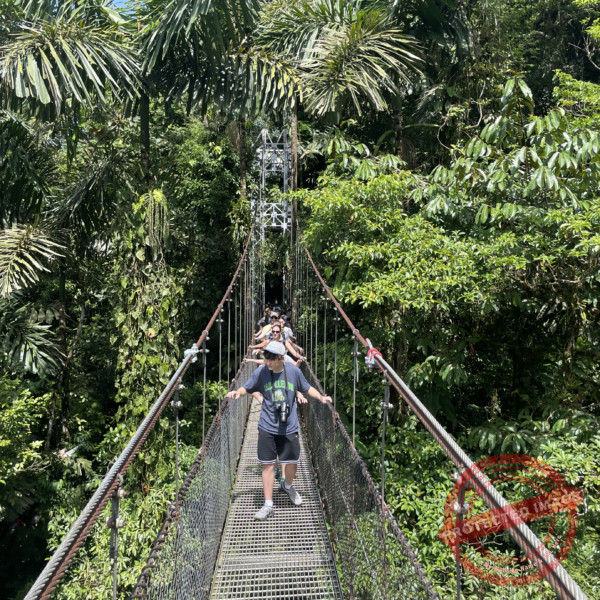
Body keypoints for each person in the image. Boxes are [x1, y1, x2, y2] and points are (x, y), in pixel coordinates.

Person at [226, 340, 331, 520]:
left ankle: (287, 486)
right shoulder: (261, 372)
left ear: (281, 358)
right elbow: (247, 387)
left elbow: (307, 388)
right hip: (267, 425)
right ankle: (268, 504)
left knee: (291, 463)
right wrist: (238, 393)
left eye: (271, 359)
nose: (268, 362)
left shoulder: (294, 372)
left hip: (289, 426)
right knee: (267, 465)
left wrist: (321, 397)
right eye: (266, 357)